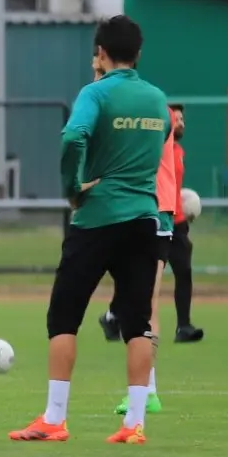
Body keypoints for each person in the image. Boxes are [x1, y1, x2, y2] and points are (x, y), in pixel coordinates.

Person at [9, 15, 168, 445]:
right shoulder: (157, 100)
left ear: (100, 52)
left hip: (97, 217)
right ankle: (135, 423)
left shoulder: (95, 93)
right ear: (137, 53)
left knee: (64, 315)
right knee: (137, 322)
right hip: (143, 220)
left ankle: (55, 418)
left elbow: (73, 137)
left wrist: (72, 187)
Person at [95, 98, 178, 416]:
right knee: (136, 293)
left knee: (148, 301)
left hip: (152, 207)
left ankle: (147, 392)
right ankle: (116, 313)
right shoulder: (145, 108)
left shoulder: (146, 110)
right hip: (132, 207)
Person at [167, 105, 205, 343]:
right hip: (157, 220)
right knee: (142, 275)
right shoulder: (156, 151)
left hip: (177, 222)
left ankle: (183, 326)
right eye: (176, 119)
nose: (182, 123)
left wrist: (182, 205)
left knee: (184, 272)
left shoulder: (179, 151)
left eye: (183, 119)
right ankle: (115, 315)